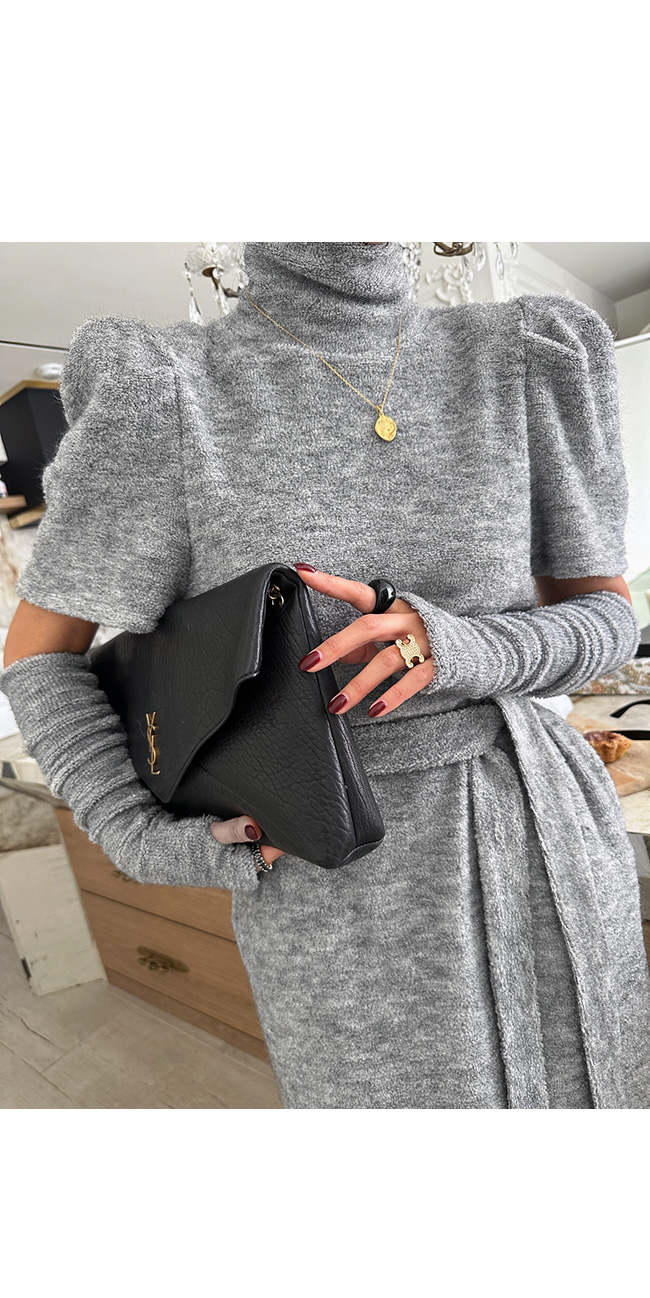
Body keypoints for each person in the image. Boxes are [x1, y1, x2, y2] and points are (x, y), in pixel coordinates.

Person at [2, 241, 649, 1109]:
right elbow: (38, 655)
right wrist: (135, 833)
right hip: (334, 882)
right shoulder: (165, 386)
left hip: (546, 828)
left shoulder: (530, 355)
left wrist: (468, 648)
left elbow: (608, 621)